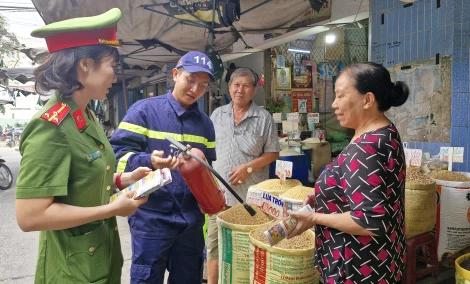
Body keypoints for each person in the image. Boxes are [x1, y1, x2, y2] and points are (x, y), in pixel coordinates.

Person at [15, 8, 157, 283]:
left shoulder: (86, 114)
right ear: (85, 65)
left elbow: (80, 180)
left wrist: (124, 179)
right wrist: (113, 209)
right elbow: (30, 216)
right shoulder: (51, 126)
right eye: (111, 67)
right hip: (71, 271)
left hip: (97, 261)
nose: (114, 77)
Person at [288, 62, 409, 283]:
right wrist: (327, 197)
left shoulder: (366, 147)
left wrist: (314, 217)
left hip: (357, 269)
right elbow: (373, 189)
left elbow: (368, 220)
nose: (334, 104)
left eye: (341, 96)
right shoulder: (385, 131)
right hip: (382, 261)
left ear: (368, 100)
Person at [110, 51, 217, 283]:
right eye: (190, 80)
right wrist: (148, 160)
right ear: (175, 74)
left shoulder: (206, 125)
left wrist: (208, 199)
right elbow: (116, 158)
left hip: (190, 222)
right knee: (147, 278)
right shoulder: (143, 111)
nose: (195, 89)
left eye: (203, 85)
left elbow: (207, 169)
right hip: (151, 218)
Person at [207, 67, 280, 283]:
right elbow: (207, 150)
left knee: (248, 248)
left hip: (250, 200)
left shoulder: (264, 117)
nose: (240, 90)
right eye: (236, 85)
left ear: (254, 89)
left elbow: (273, 152)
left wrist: (248, 167)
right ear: (229, 87)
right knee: (214, 245)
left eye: (246, 85)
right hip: (218, 197)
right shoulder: (217, 115)